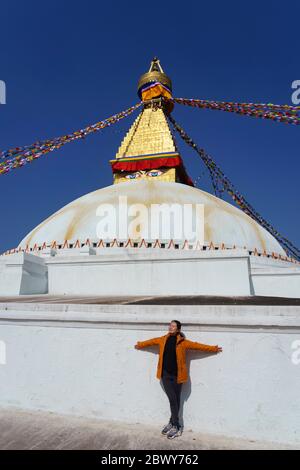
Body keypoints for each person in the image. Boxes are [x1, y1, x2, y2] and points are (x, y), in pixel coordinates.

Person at [134, 320, 222, 439]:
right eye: (170, 325)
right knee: (172, 400)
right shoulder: (162, 339)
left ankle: (174, 424)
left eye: (173, 326)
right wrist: (140, 344)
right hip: (165, 375)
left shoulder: (183, 342)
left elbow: (198, 346)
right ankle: (176, 424)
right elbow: (150, 341)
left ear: (178, 329)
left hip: (177, 376)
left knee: (176, 400)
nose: (170, 327)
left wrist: (213, 348)